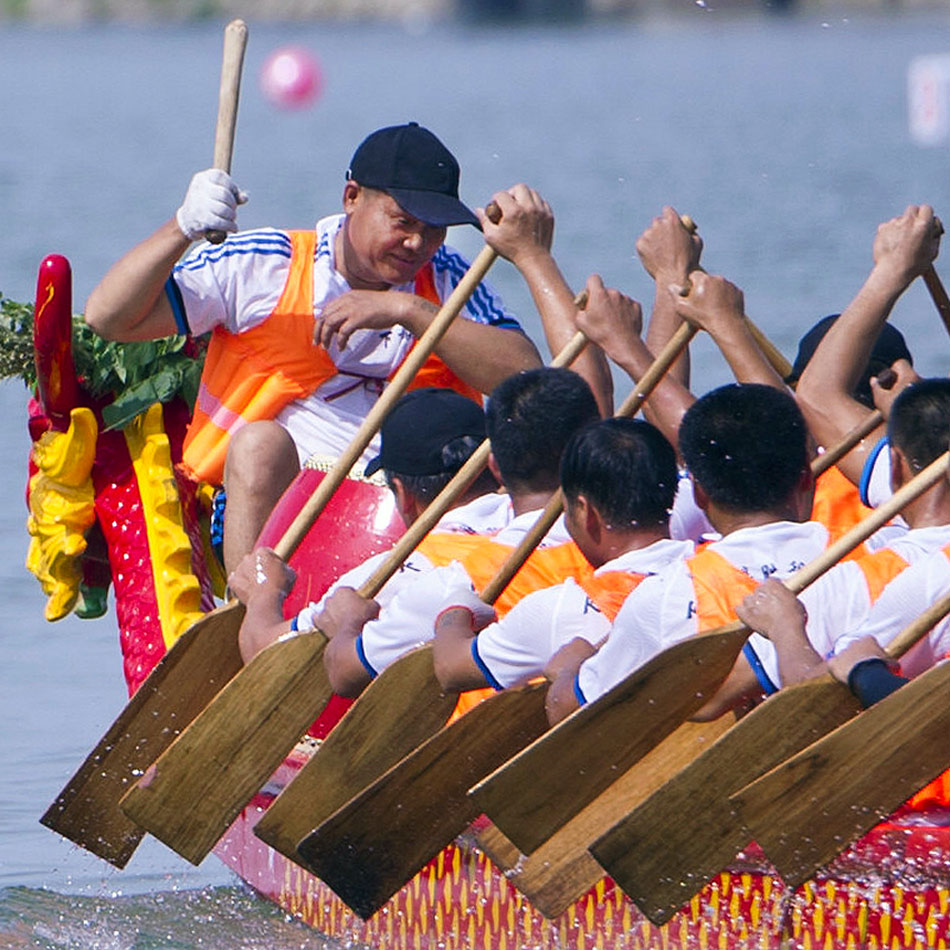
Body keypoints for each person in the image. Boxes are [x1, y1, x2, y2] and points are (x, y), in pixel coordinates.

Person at [85, 122, 605, 573]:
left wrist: (413, 313)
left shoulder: (446, 280)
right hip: (281, 508)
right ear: (352, 197)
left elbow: (525, 379)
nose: (416, 246)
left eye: (433, 231)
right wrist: (182, 228)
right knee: (259, 443)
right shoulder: (265, 263)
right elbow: (109, 318)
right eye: (402, 222)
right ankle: (252, 618)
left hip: (412, 504)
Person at [228, 386, 502, 663]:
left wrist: (264, 593)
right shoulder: (535, 529)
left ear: (403, 494)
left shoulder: (384, 579)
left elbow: (267, 656)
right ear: (495, 467)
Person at [431, 417, 691, 703]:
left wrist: (454, 608)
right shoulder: (711, 572)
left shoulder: (557, 610)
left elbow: (450, 668)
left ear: (584, 511)